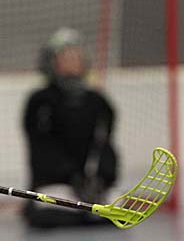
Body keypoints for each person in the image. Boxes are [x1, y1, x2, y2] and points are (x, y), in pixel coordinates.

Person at [22, 27, 118, 228]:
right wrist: (72, 177)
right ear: (51, 62)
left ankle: (88, 209)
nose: (72, 62)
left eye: (76, 56)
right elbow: (41, 149)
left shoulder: (98, 101)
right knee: (46, 210)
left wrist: (101, 178)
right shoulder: (40, 102)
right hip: (57, 184)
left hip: (90, 185)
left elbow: (105, 144)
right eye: (65, 57)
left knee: (118, 208)